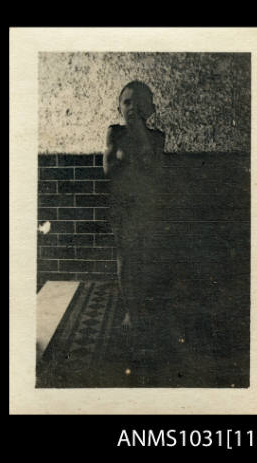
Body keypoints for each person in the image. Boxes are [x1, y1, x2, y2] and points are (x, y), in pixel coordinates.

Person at [103, 81, 165, 333]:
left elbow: (155, 170)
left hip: (147, 204)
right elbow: (108, 169)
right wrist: (121, 151)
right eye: (127, 102)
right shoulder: (114, 133)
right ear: (119, 107)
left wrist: (140, 133)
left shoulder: (156, 137)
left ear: (150, 109)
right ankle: (131, 308)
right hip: (122, 206)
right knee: (126, 258)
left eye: (139, 102)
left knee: (145, 256)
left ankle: (144, 304)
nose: (132, 107)